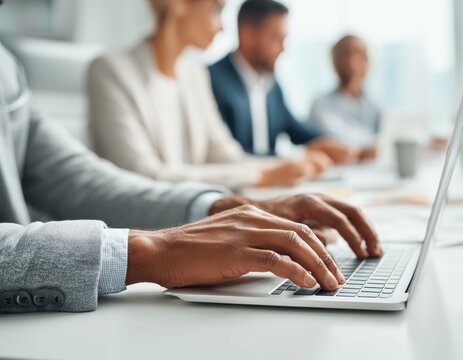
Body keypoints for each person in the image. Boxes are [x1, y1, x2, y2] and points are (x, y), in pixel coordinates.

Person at [0, 40, 381, 313]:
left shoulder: (6, 65)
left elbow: (75, 178)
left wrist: (219, 206)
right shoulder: (116, 69)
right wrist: (151, 251)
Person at [88, 0, 330, 190]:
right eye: (217, 8)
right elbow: (145, 176)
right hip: (143, 236)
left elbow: (225, 154)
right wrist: (262, 174)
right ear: (179, 3)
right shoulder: (111, 71)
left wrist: (290, 166)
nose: (223, 27)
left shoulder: (195, 75)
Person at [209, 0, 358, 163]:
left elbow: (296, 129)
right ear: (248, 34)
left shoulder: (271, 85)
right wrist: (290, 159)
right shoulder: (211, 81)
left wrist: (331, 144)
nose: (283, 48)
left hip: (271, 184)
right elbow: (225, 155)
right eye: (276, 39)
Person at [310, 35, 381, 160]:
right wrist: (371, 146)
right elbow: (335, 138)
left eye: (364, 55)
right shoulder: (321, 104)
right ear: (338, 61)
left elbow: (388, 135)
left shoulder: (374, 104)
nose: (361, 61)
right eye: (354, 54)